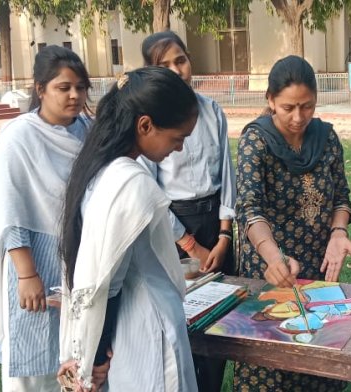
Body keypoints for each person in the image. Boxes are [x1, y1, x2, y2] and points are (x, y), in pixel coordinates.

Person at [57, 66, 200, 391]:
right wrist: (95, 358)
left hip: (127, 329)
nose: (178, 149)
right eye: (177, 138)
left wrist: (91, 349)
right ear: (145, 125)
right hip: (146, 329)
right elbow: (107, 282)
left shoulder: (98, 168)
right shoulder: (130, 182)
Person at [234, 55, 351, 391]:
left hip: (317, 263)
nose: (299, 117)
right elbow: (249, 208)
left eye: (307, 106)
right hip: (270, 266)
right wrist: (273, 257)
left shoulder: (327, 138)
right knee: (269, 355)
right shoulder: (256, 141)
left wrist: (338, 231)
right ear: (270, 100)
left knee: (316, 351)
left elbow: (341, 197)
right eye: (288, 107)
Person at [0, 45, 92, 392]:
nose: (74, 95)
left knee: (78, 349)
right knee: (33, 356)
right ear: (40, 89)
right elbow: (8, 211)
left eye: (80, 87)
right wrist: (27, 274)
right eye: (64, 87)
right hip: (32, 259)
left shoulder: (89, 131)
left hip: (79, 254)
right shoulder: (17, 137)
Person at [140, 31, 235, 392]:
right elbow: (150, 192)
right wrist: (192, 246)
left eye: (180, 60)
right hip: (175, 229)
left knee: (221, 318)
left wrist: (225, 235)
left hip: (218, 224)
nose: (176, 70)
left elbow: (227, 173)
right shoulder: (149, 122)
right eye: (163, 65)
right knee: (184, 319)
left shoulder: (212, 110)